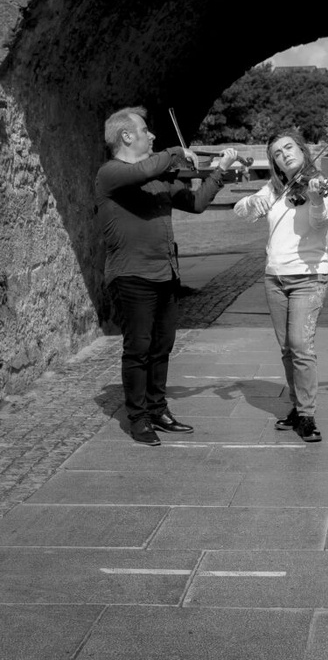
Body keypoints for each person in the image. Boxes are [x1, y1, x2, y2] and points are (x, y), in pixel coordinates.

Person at [95, 106, 239, 446]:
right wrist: (177, 152)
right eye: (146, 131)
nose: (153, 135)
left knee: (162, 346)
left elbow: (197, 202)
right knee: (138, 348)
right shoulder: (111, 173)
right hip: (131, 275)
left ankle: (158, 409)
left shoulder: (158, 177)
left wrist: (218, 172)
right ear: (127, 136)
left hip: (165, 274)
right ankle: (138, 417)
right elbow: (145, 169)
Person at [233, 130, 328, 443]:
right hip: (274, 276)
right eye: (277, 153)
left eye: (289, 148)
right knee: (286, 349)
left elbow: (320, 224)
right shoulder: (275, 188)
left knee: (301, 345)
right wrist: (256, 202)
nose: (284, 155)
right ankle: (297, 406)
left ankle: (307, 415)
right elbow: (242, 211)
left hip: (308, 275)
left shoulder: (322, 184)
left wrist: (317, 196)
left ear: (303, 150)